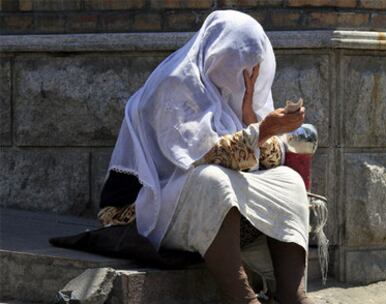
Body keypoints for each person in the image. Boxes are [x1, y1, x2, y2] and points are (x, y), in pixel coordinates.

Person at [99, 10, 314, 304]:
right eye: (239, 65)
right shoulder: (175, 84)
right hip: (140, 210)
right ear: (218, 55)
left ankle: (292, 294)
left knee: (288, 180)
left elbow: (270, 162)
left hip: (202, 207)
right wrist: (263, 129)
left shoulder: (236, 94)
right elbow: (204, 158)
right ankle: (241, 296)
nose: (247, 76)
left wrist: (251, 116)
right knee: (212, 181)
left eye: (253, 67)